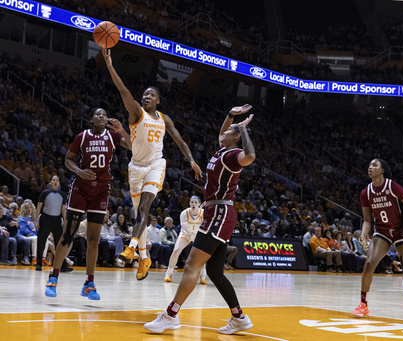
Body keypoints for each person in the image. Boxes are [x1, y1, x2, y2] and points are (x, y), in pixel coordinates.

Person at [144, 104, 255, 335]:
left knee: (191, 265)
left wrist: (243, 129)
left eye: (228, 132)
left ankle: (171, 315)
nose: (221, 133)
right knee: (215, 272)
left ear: (236, 137)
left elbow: (251, 156)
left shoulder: (234, 156)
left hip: (219, 214)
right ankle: (239, 317)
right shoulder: (222, 151)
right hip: (217, 214)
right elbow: (224, 132)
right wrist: (231, 115)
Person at [102, 48, 202, 281]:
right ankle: (144, 258)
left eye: (151, 95)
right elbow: (123, 91)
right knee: (139, 215)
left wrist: (191, 161)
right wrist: (110, 66)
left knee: (145, 208)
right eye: (144, 94)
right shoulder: (136, 112)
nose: (146, 97)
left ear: (158, 100)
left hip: (156, 166)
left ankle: (132, 248)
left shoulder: (164, 119)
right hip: (136, 167)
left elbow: (179, 140)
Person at [44, 108, 131, 300]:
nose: (101, 116)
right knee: (68, 234)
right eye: (97, 114)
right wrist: (79, 171)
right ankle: (53, 277)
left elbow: (134, 147)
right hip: (80, 189)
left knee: (94, 239)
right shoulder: (82, 137)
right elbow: (68, 160)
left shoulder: (112, 135)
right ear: (91, 119)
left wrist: (122, 130)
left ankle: (89, 283)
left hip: (100, 191)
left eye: (104, 114)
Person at [351, 159, 403, 324]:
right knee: (369, 263)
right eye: (368, 165)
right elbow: (367, 220)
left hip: (401, 230)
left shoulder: (393, 187)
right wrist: (364, 234)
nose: (370, 167)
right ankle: (363, 304)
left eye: (375, 165)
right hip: (382, 232)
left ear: (382, 170)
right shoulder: (365, 193)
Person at [164, 196, 206, 283]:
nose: (193, 204)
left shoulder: (204, 213)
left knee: (202, 255)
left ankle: (203, 276)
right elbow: (185, 226)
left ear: (199, 204)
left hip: (197, 235)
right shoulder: (184, 213)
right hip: (186, 234)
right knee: (176, 251)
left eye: (195, 202)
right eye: (192, 202)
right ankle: (168, 274)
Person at [34, 175, 67, 271]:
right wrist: (36, 220)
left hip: (57, 220)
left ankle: (62, 265)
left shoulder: (62, 194)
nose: (55, 182)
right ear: (50, 182)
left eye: (57, 180)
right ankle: (39, 263)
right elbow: (39, 207)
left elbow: (63, 210)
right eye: (53, 180)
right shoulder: (45, 193)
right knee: (41, 241)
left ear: (59, 183)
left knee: (60, 243)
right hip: (45, 219)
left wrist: (65, 222)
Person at [18, 201, 39, 265]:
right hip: (24, 236)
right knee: (36, 238)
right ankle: (34, 258)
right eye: (27, 208)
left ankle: (43, 258)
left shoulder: (36, 219)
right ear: (24, 209)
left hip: (34, 236)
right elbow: (24, 230)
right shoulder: (22, 218)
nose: (29, 209)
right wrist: (34, 235)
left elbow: (38, 229)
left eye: (30, 207)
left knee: (46, 239)